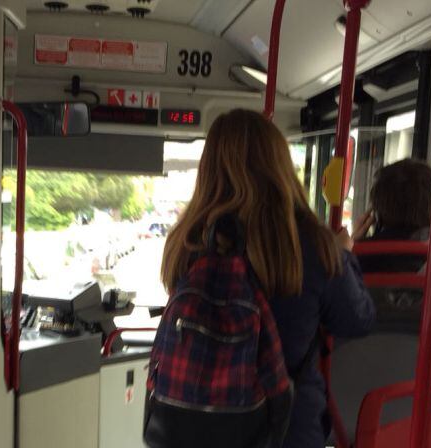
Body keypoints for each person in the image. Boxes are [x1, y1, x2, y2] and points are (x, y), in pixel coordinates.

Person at [160, 109, 375, 447]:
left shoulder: (187, 242)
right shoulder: (312, 244)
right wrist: (343, 253)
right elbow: (357, 320)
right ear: (279, 166)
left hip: (199, 424)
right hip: (286, 427)